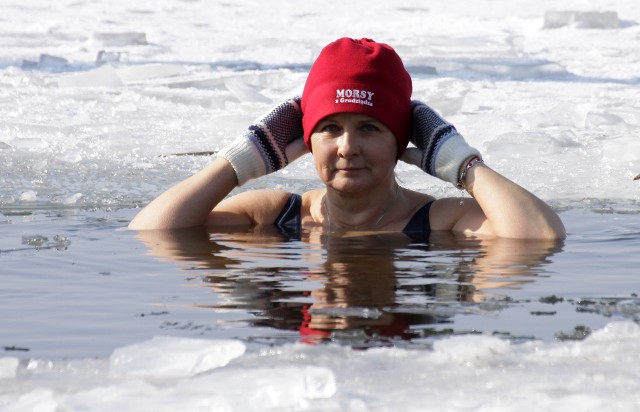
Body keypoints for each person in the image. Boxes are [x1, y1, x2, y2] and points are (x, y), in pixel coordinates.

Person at [128, 37, 566, 240]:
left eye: (370, 129)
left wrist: (464, 165)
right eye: (330, 128)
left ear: (402, 141)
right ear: (306, 139)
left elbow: (539, 237)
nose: (347, 148)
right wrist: (240, 161)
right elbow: (152, 232)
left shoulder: (439, 220)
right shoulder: (277, 215)